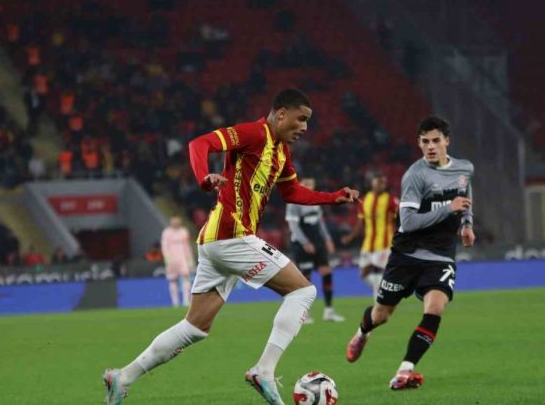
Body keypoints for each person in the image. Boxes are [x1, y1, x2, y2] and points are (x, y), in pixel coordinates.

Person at [102, 89, 359, 405]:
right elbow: (199, 144)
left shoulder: (281, 151)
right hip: (231, 236)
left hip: (215, 242)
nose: (304, 127)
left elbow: (292, 191)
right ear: (281, 113)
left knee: (194, 327)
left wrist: (332, 197)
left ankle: (122, 377)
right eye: (301, 119)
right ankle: (264, 371)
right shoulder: (253, 134)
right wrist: (203, 178)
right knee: (303, 292)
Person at [345, 116, 475, 390]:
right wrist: (448, 209)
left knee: (435, 309)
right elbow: (409, 222)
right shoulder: (415, 176)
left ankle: (404, 371)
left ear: (447, 141)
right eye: (425, 141)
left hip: (440, 255)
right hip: (407, 255)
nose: (431, 146)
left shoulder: (464, 168)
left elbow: (465, 192)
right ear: (419, 143)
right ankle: (362, 333)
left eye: (436, 140)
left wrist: (466, 224)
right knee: (381, 315)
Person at [285, 177, 344, 323]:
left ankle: (329, 311)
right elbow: (293, 226)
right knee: (306, 279)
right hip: (302, 245)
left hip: (318, 242)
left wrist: (327, 239)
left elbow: (320, 223)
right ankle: (303, 314)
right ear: (300, 185)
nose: (309, 186)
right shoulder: (294, 202)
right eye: (306, 184)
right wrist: (305, 243)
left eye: (311, 184)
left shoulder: (315, 201)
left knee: (327, 272)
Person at [341, 171, 398, 297]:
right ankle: (384, 291)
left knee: (378, 271)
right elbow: (360, 224)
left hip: (384, 244)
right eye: (378, 182)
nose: (381, 185)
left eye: (383, 182)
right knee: (363, 274)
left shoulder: (391, 200)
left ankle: (378, 301)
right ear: (372, 183)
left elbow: (399, 220)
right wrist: (350, 237)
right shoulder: (365, 200)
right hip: (368, 244)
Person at [160, 215, 194, 307]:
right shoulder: (166, 232)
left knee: (186, 278)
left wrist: (190, 259)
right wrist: (167, 259)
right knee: (172, 280)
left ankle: (186, 301)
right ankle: (175, 302)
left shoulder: (184, 231)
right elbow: (164, 247)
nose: (175, 222)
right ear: (171, 221)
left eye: (177, 220)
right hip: (171, 260)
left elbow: (187, 246)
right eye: (173, 221)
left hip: (183, 259)